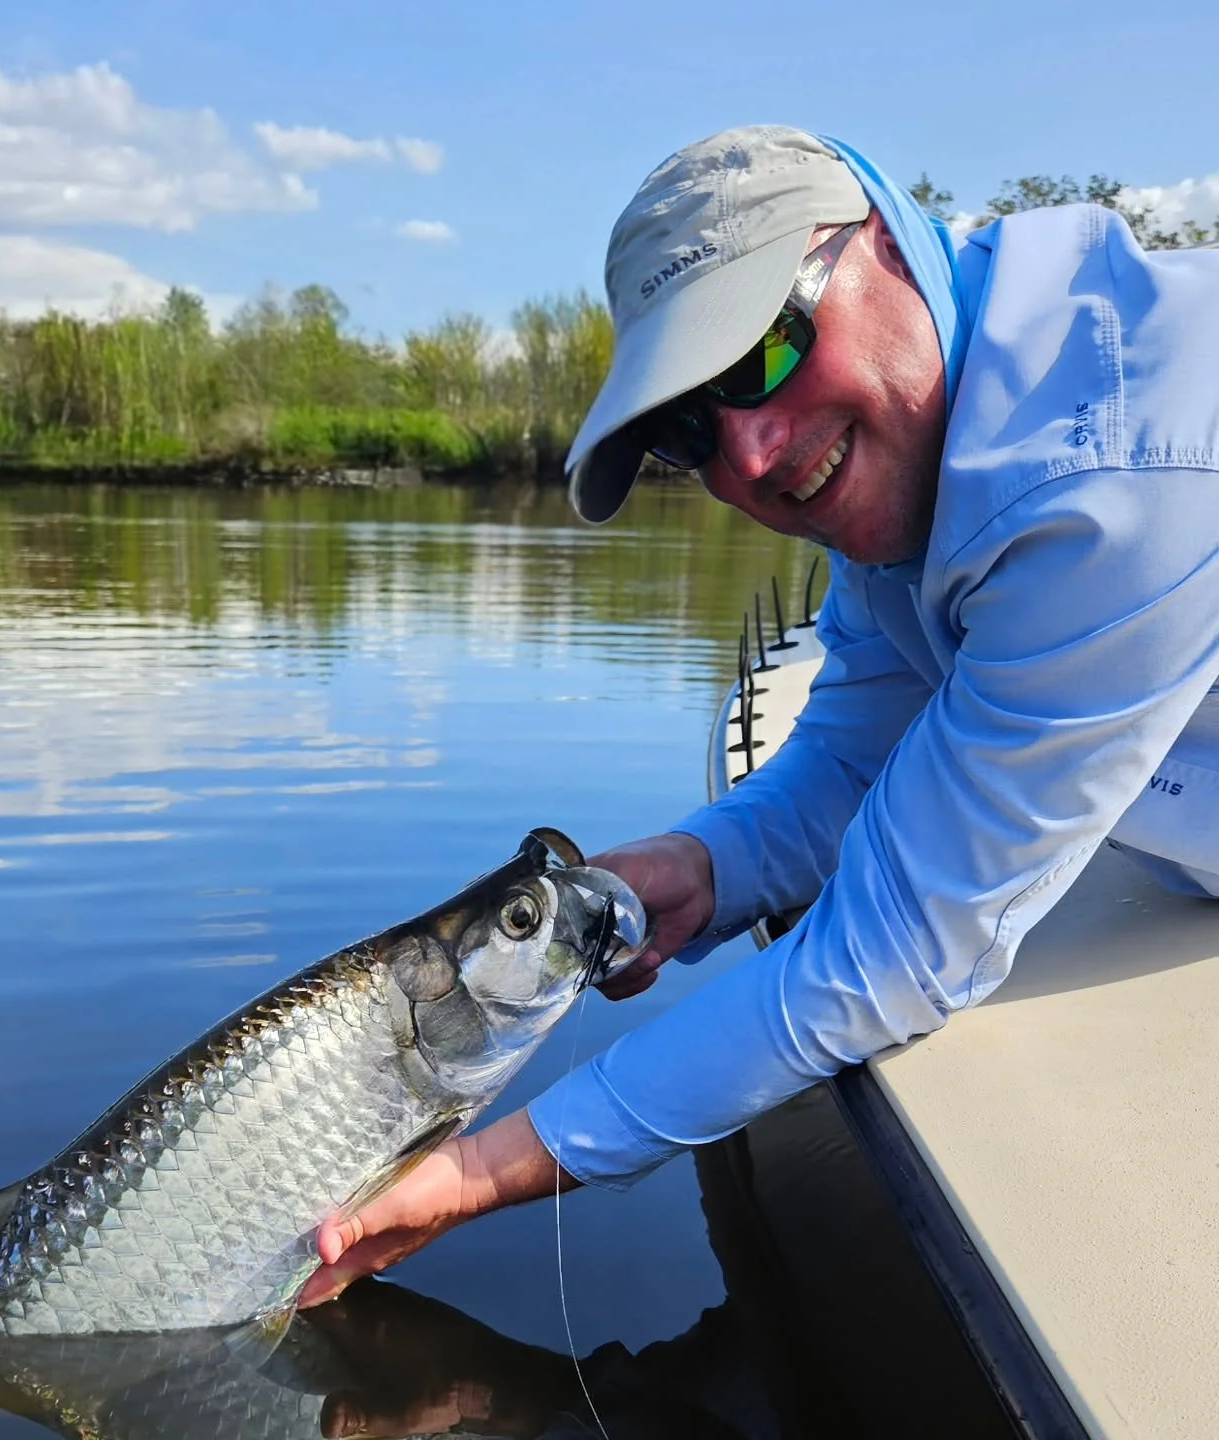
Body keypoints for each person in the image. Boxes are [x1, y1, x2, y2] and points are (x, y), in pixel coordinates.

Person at [298, 124, 1219, 1307]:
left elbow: (897, 949)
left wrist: (482, 1168)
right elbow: (850, 761)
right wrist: (708, 862)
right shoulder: (922, 461)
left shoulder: (1115, 460)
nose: (751, 454)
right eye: (688, 428)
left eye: (764, 352)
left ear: (889, 239)